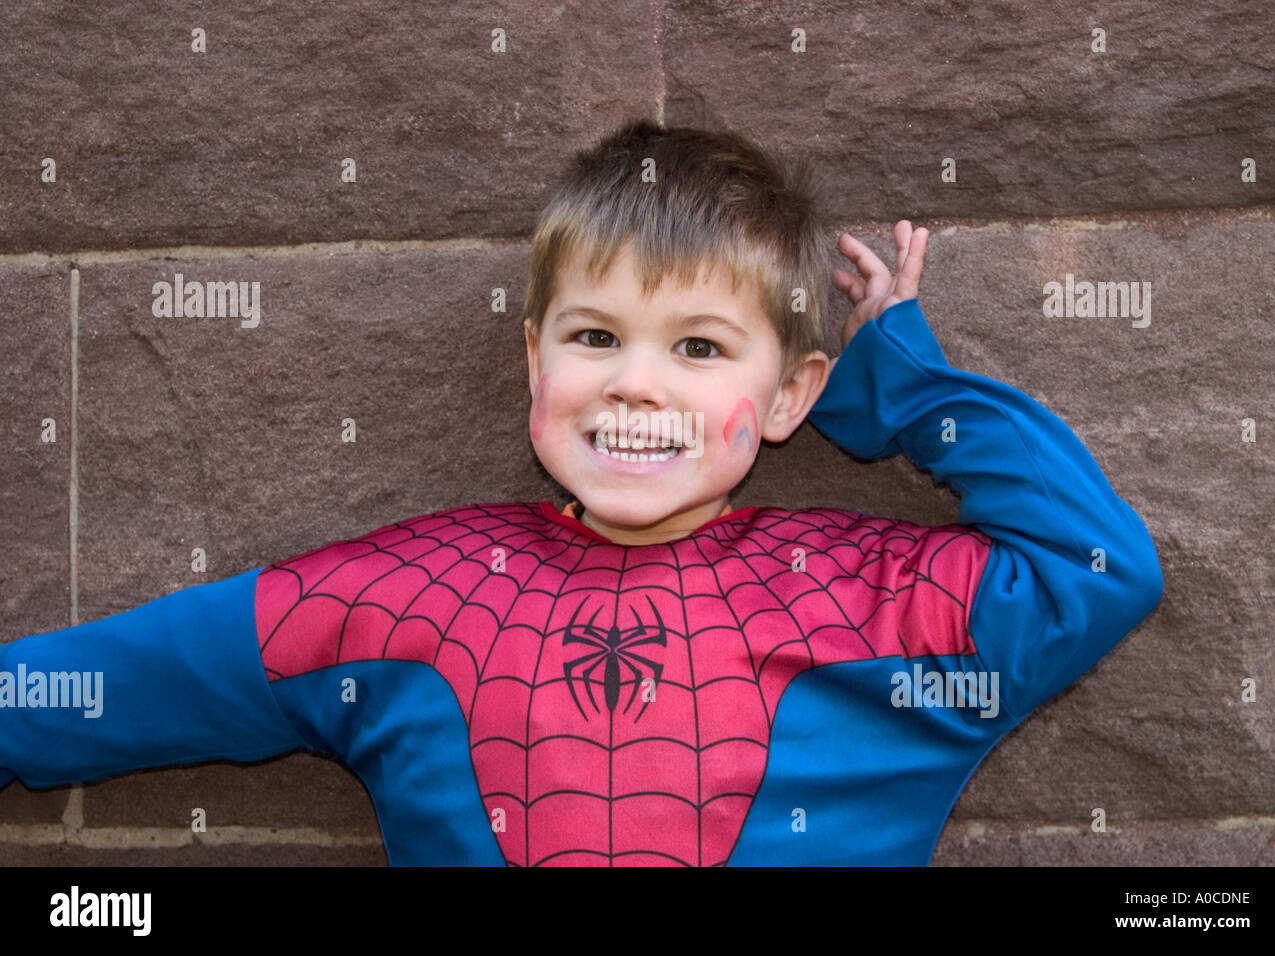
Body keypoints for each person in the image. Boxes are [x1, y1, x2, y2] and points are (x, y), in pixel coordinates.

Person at [0, 120, 1163, 865]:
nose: (636, 384)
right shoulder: (394, 599)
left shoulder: (880, 604)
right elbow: (82, 690)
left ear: (791, 395)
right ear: (534, 365)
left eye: (701, 349)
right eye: (595, 334)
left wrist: (903, 383)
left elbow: (1094, 568)